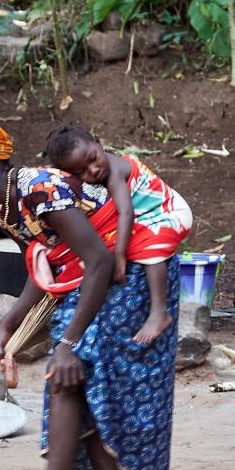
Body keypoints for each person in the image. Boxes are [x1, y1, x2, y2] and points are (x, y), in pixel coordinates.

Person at [0, 104, 181, 470]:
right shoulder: (2, 209)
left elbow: (101, 258)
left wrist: (68, 341)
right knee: (71, 381)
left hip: (131, 273)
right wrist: (11, 320)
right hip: (91, 277)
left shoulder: (38, 186)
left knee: (67, 372)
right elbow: (49, 260)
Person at [44, 123, 193, 344]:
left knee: (147, 249)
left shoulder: (114, 172)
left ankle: (159, 312)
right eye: (81, 172)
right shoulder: (98, 169)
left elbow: (126, 212)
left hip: (168, 212)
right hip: (149, 214)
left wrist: (120, 257)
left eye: (93, 159)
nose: (92, 171)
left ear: (98, 141)